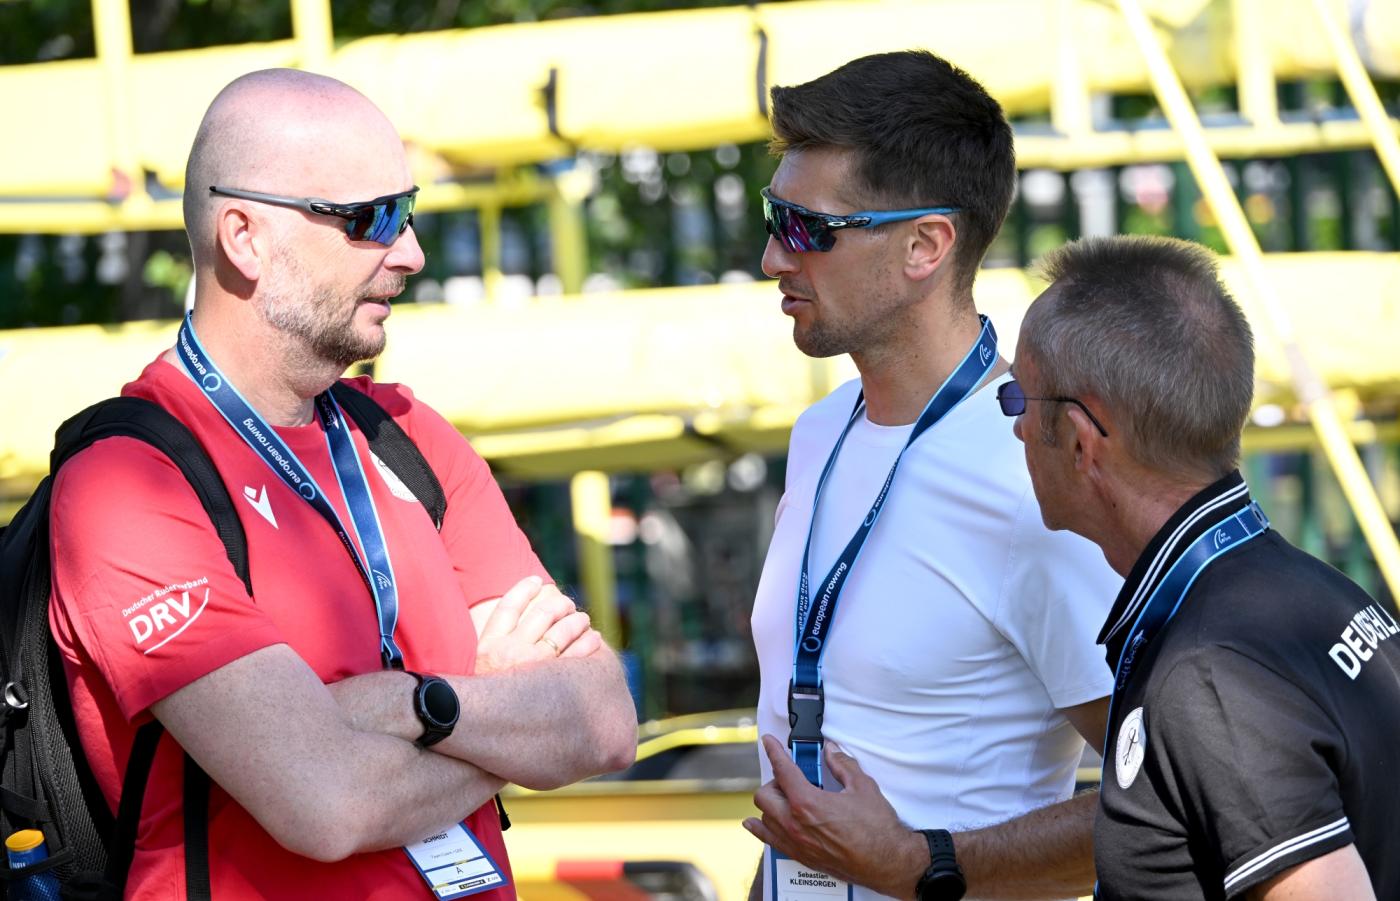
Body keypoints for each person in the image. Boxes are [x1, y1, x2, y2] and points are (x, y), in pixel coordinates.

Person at [46, 68, 637, 899]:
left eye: (409, 210)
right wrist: (498, 710)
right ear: (245, 238)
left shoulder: (406, 434)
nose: (411, 252)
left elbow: (603, 720)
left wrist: (403, 705)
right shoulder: (128, 484)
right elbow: (326, 803)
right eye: (371, 219)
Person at [742, 50, 1121, 901]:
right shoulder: (820, 432)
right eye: (773, 215)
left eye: (806, 228)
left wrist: (923, 861)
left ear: (925, 246)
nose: (772, 257)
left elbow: (1173, 795)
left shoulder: (1032, 471)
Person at [1001, 234, 1400, 900]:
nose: (1015, 428)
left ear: (1079, 440)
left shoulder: (1208, 672)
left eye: (1018, 400)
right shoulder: (1311, 592)